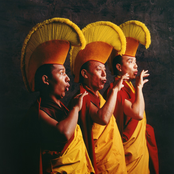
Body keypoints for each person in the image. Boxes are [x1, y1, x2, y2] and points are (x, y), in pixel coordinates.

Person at [21, 17, 95, 174]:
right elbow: (64, 133)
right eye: (62, 73)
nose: (68, 78)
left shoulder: (62, 109)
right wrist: (75, 108)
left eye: (66, 72)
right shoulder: (38, 112)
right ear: (46, 80)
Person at [70, 21, 128, 174]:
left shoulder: (98, 97)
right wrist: (115, 90)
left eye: (104, 70)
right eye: (98, 69)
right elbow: (103, 118)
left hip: (114, 160)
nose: (104, 74)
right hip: (100, 164)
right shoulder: (83, 98)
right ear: (85, 74)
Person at [105, 20, 159, 174]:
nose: (135, 66)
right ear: (119, 67)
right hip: (127, 153)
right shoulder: (115, 90)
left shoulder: (128, 86)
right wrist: (140, 87)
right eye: (130, 61)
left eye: (135, 62)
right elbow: (137, 114)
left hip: (139, 151)